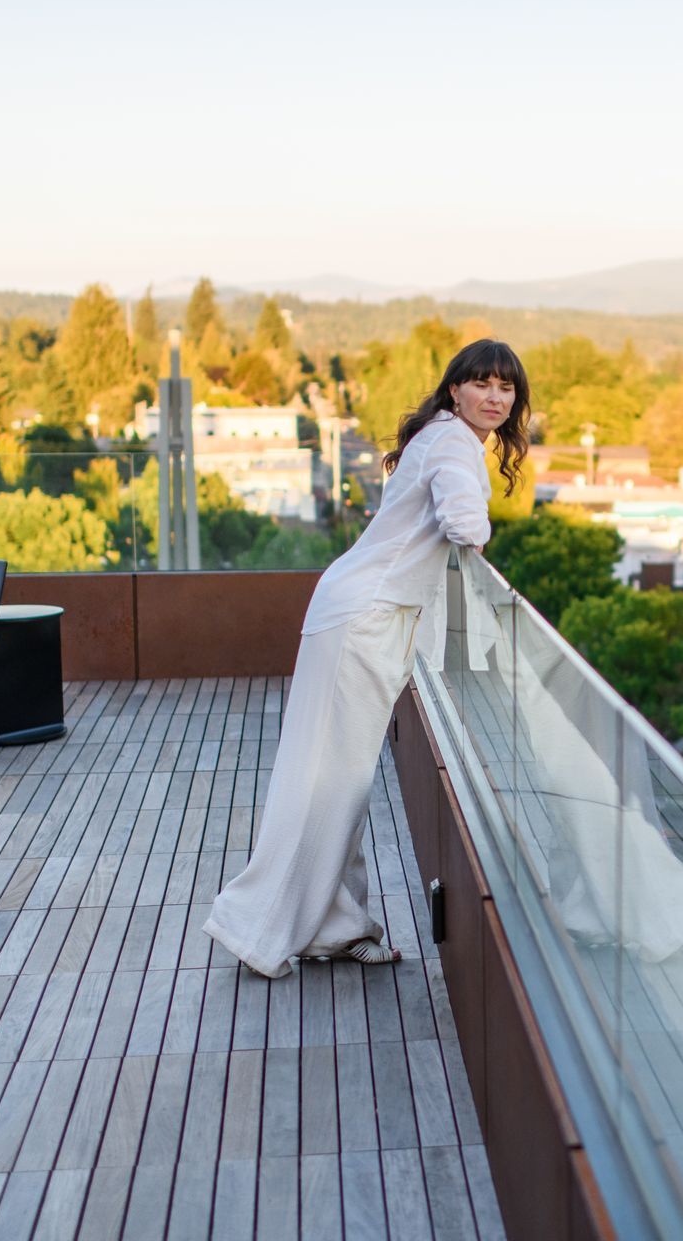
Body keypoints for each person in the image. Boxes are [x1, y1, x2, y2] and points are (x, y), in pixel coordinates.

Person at [203, 339, 530, 977]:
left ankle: (333, 925)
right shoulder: (454, 444)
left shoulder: (438, 434)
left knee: (336, 778)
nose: (495, 398)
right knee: (329, 779)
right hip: (366, 619)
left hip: (358, 611)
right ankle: (256, 928)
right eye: (482, 384)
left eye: (507, 389)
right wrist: (478, 528)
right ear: (455, 389)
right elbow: (467, 526)